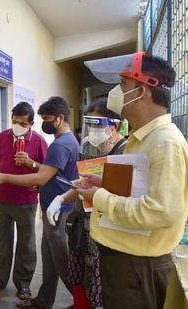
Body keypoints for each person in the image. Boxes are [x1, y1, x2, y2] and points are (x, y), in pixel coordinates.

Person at [79, 52, 188, 308]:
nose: (116, 92)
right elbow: (136, 190)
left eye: (122, 85)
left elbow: (161, 211)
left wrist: (101, 198)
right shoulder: (143, 138)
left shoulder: (165, 142)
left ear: (142, 91)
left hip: (139, 268)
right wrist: (102, 184)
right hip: (125, 263)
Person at [0, 96, 79, 309]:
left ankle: (82, 301)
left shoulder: (55, 144)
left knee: (58, 259)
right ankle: (43, 300)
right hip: (36, 204)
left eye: (46, 118)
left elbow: (42, 175)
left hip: (49, 208)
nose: (44, 123)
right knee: (48, 261)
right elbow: (52, 175)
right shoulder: (4, 137)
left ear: (59, 118)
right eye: (15, 121)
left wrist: (9, 174)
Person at [49, 98, 127, 309]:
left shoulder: (124, 153)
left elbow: (122, 194)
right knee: (81, 274)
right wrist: (62, 198)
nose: (92, 131)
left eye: (97, 125)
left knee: (99, 282)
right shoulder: (93, 149)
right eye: (89, 125)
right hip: (84, 227)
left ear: (115, 125)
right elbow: (84, 184)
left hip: (107, 235)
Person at [0, 102, 48, 303]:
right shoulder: (3, 136)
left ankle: (24, 284)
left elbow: (46, 171)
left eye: (22, 123)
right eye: (14, 121)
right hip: (1, 199)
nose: (17, 126)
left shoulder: (38, 141)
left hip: (26, 200)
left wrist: (31, 162)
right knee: (0, 241)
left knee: (26, 244)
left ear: (31, 123)